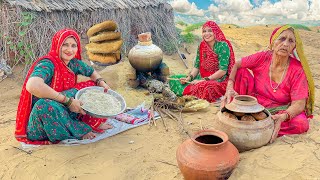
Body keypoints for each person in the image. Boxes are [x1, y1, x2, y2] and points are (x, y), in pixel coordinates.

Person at [15, 29, 113, 145]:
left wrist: (101, 82)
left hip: (64, 109)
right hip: (44, 121)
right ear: (57, 45)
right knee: (44, 105)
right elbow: (32, 85)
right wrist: (68, 101)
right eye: (65, 45)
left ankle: (93, 122)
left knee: (92, 86)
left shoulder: (72, 63)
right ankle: (79, 130)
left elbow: (91, 71)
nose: (69, 50)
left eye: (73, 46)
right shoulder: (48, 64)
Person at [222, 25, 315, 143]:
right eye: (282, 39)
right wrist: (229, 87)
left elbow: (299, 104)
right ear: (273, 42)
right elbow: (237, 64)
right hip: (254, 102)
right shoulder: (263, 57)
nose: (285, 44)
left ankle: (262, 127)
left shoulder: (297, 69)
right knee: (241, 72)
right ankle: (238, 111)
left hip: (280, 109)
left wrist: (283, 117)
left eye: (291, 41)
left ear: (294, 47)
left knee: (301, 124)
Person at [169, 21, 235, 103]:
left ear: (215, 32)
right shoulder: (201, 45)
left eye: (210, 31)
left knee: (205, 87)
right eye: (204, 31)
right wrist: (188, 78)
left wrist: (204, 80)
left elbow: (223, 71)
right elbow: (196, 67)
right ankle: (192, 93)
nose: (206, 34)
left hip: (218, 80)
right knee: (175, 79)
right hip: (201, 77)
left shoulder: (222, 45)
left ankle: (192, 94)